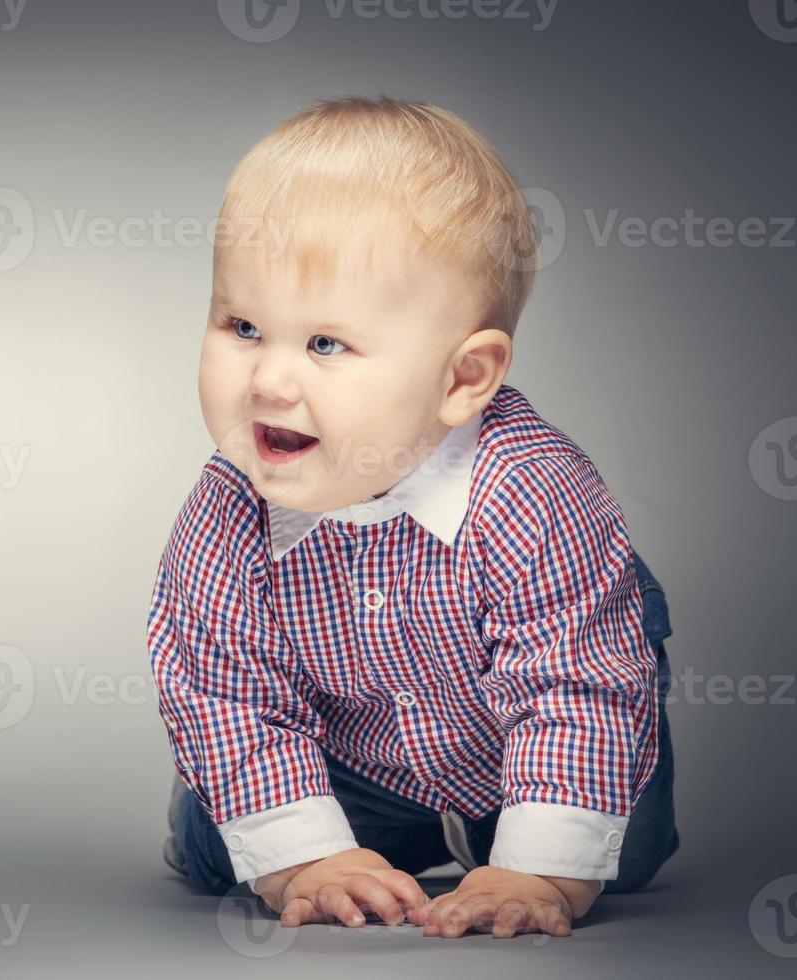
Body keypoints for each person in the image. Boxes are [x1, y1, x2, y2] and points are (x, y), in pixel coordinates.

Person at [147, 97, 678, 940]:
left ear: (462, 378)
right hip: (351, 757)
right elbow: (222, 686)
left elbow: (573, 686)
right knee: (223, 849)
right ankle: (330, 826)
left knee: (620, 852)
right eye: (244, 326)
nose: (269, 381)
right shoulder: (227, 508)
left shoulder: (533, 494)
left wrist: (536, 868)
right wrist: (307, 857)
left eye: (326, 344)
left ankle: (506, 835)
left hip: (529, 728)